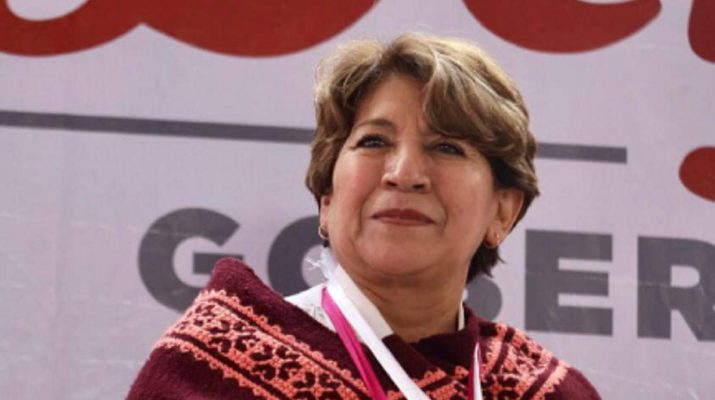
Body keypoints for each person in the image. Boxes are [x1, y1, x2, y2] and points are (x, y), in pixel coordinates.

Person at [127, 33, 601, 399]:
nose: (404, 174)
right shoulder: (220, 366)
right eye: (374, 141)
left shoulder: (545, 392)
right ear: (327, 199)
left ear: (503, 211)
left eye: (446, 147)